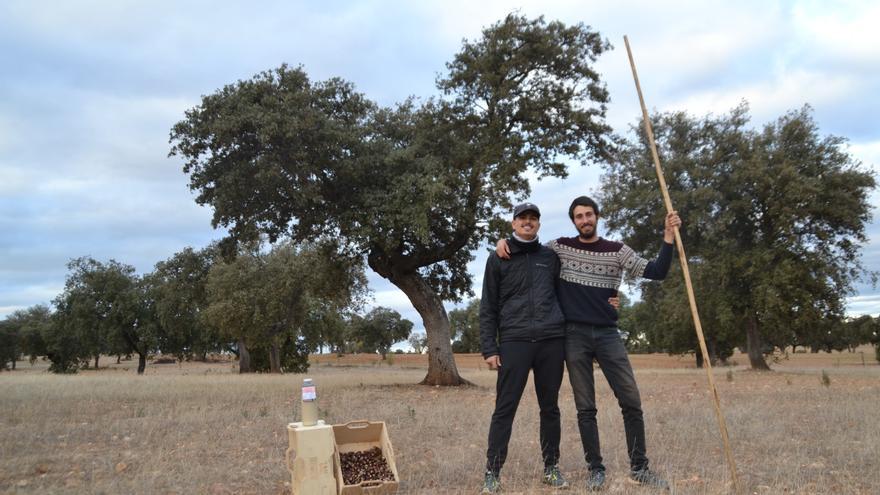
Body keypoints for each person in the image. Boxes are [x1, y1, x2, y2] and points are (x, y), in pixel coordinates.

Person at [497, 196, 680, 491]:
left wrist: (668, 236)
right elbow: (527, 246)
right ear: (573, 221)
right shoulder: (559, 248)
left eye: (589, 215)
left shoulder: (617, 251)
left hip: (608, 335)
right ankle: (596, 469)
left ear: (597, 217)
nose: (585, 220)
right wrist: (502, 241)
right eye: (579, 216)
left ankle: (640, 467)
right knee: (585, 408)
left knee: (631, 400)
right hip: (573, 335)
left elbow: (656, 272)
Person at [479, 202, 569, 493]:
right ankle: (492, 472)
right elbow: (488, 306)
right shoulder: (498, 257)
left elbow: (567, 294)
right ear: (513, 223)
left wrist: (609, 299)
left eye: (533, 219)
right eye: (523, 218)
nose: (528, 222)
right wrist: (489, 348)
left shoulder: (550, 257)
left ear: (539, 225)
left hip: (550, 341)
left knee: (550, 408)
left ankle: (551, 468)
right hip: (514, 342)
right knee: (504, 409)